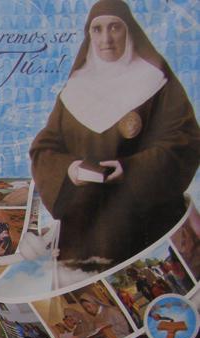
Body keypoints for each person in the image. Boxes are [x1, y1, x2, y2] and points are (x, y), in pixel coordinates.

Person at [30, 0, 200, 278]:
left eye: (114, 28)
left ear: (129, 31)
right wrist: (70, 170)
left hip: (144, 227)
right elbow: (44, 149)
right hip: (84, 235)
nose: (106, 38)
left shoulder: (156, 82)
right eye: (97, 29)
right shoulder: (75, 89)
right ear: (89, 35)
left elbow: (183, 142)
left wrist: (130, 169)